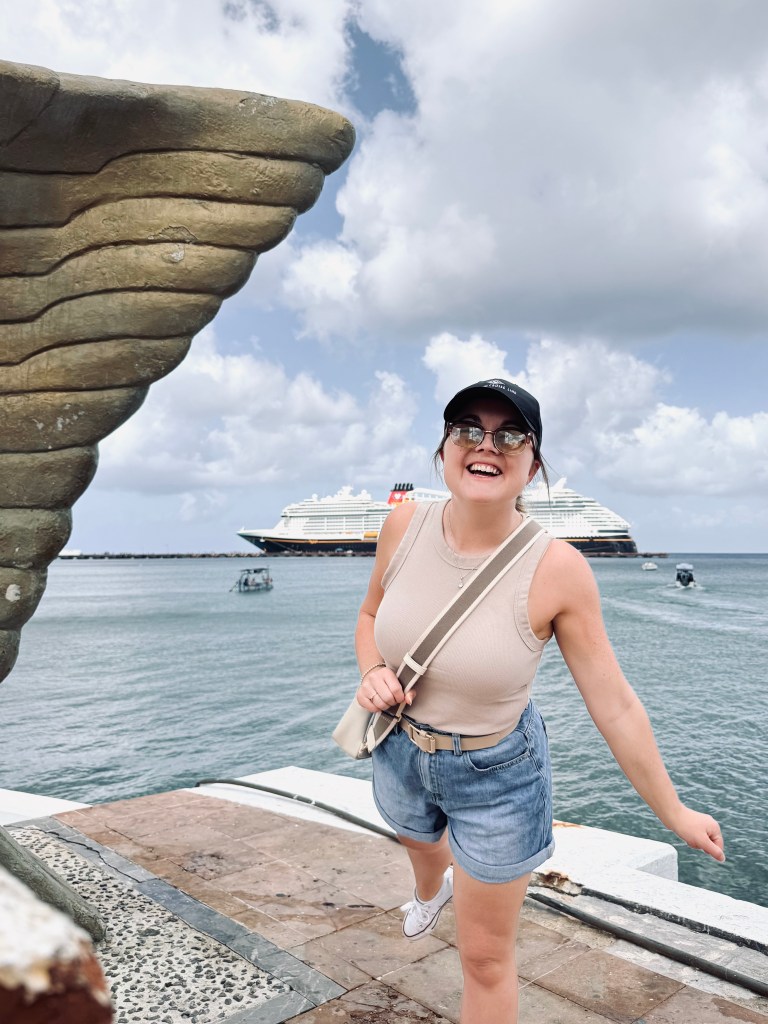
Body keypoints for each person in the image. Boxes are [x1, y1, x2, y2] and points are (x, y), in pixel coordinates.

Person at [354, 378, 725, 1024]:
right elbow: (369, 616)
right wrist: (371, 674)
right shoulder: (403, 524)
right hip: (398, 746)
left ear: (533, 462)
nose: (486, 444)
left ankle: (439, 885)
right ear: (443, 450)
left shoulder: (558, 570)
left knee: (487, 961)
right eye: (468, 428)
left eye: (511, 434)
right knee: (417, 838)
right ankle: (428, 886)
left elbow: (614, 705)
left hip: (498, 776)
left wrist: (673, 810)